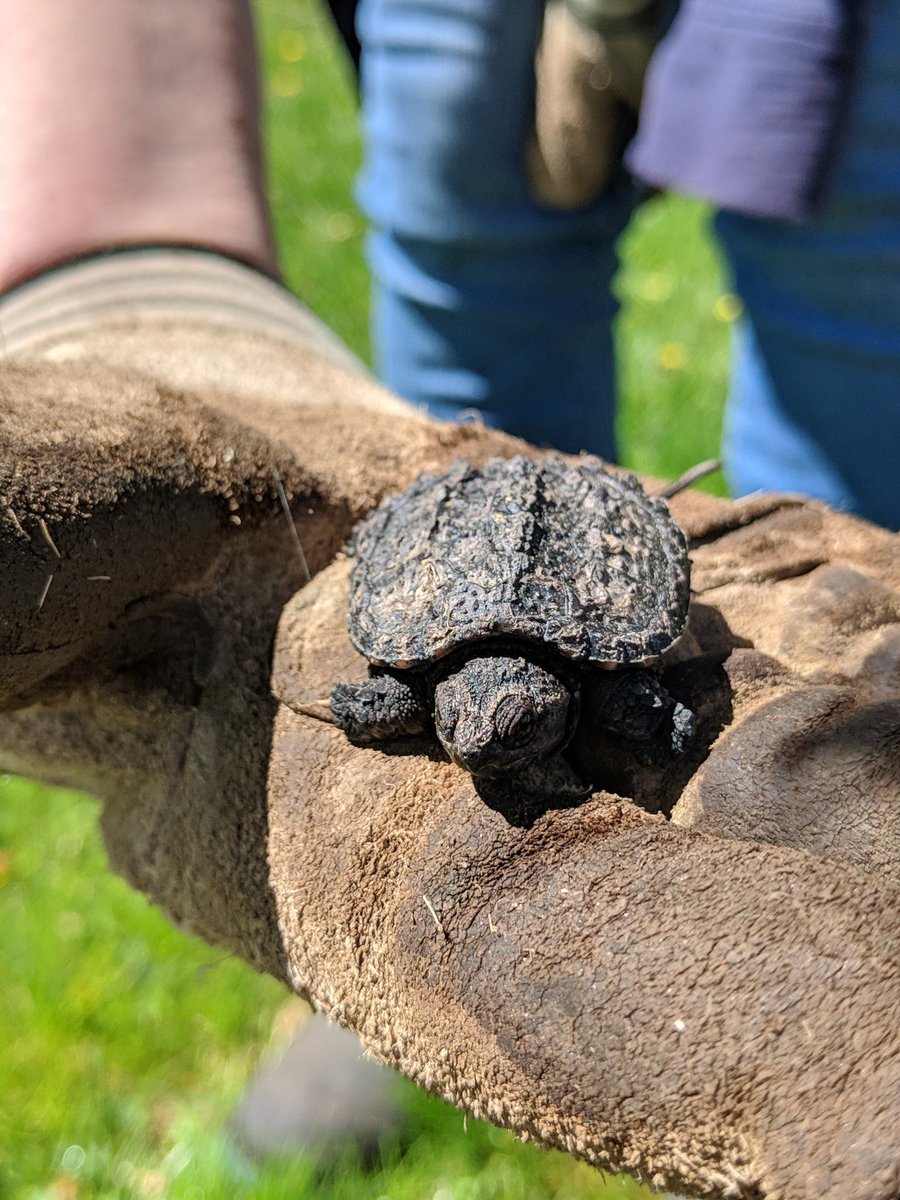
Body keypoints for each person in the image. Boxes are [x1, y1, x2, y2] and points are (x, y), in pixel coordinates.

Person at [0, 0, 896, 1168]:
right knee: (463, 279)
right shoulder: (419, 686)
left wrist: (676, 721)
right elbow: (381, 698)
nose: (475, 742)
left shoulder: (608, 679)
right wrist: (127, 282)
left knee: (847, 342)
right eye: (468, 722)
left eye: (503, 729)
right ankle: (375, 994)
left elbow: (640, 695)